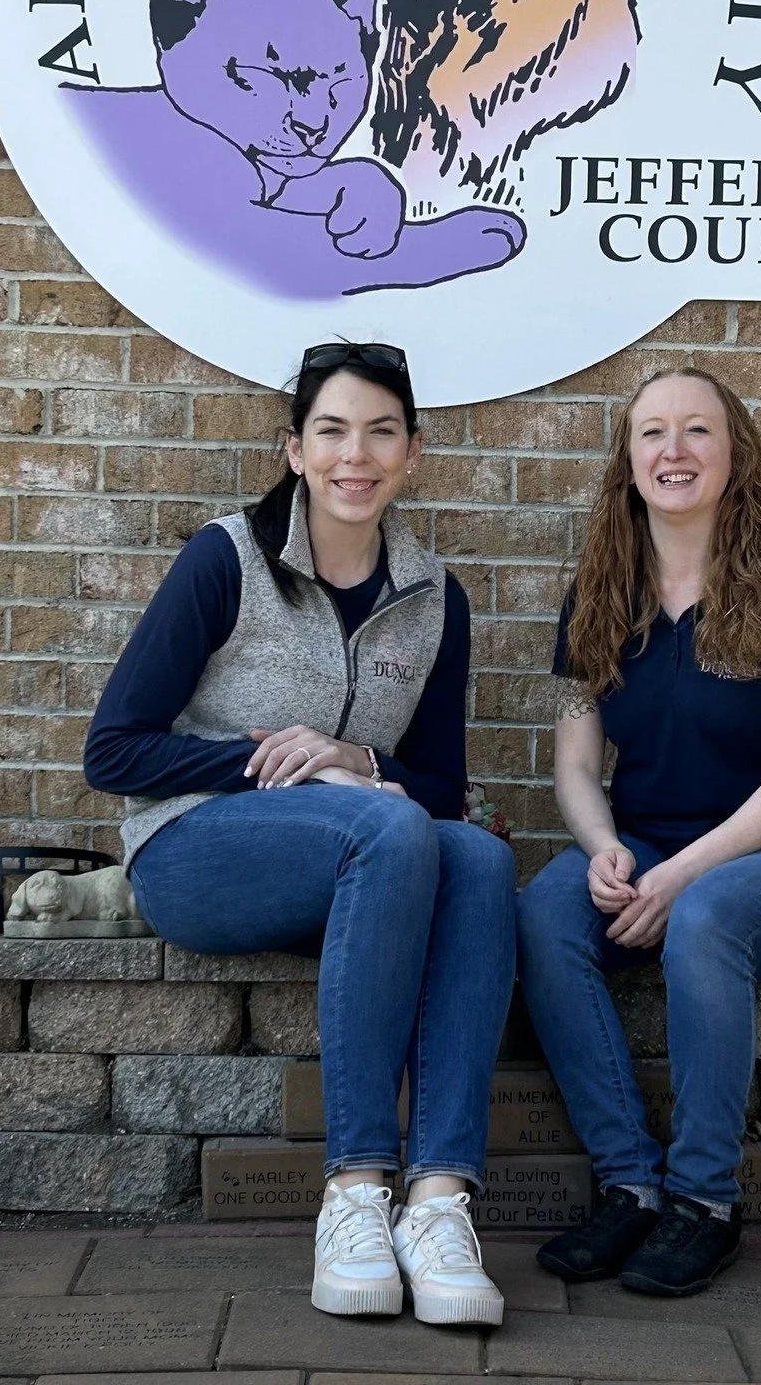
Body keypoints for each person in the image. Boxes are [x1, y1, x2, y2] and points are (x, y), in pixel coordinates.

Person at [83, 341, 515, 1328]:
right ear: (293, 448)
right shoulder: (225, 558)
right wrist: (270, 758)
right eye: (330, 430)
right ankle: (356, 1188)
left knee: (482, 856)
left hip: (363, 855)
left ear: (413, 452)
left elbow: (440, 788)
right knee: (391, 833)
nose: (353, 454)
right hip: (196, 850)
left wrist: (355, 760)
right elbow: (114, 751)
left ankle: (440, 1200)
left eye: (379, 431)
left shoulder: (434, 597)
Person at [517, 367, 761, 1298]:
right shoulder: (593, 601)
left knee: (711, 911)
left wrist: (676, 876)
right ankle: (630, 1184)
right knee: (549, 910)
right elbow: (572, 764)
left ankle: (704, 1204)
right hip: (647, 843)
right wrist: (604, 846)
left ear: (734, 454)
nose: (673, 451)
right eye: (651, 433)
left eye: (696, 431)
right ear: (628, 460)